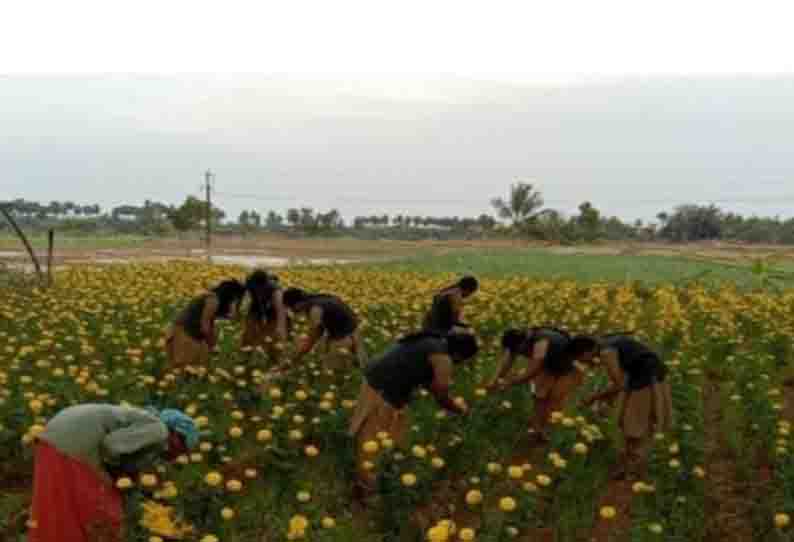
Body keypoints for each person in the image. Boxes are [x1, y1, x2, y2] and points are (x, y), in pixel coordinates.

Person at [29, 403, 199, 542]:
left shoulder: (146, 423)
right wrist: (121, 476)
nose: (177, 456)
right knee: (99, 512)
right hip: (74, 445)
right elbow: (111, 447)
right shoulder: (159, 429)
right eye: (182, 449)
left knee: (58, 511)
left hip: (55, 438)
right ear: (176, 435)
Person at [349, 331, 479, 493]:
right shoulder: (442, 358)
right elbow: (441, 393)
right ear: (459, 354)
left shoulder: (432, 341)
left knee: (391, 434)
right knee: (373, 440)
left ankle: (383, 472)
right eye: (464, 360)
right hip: (383, 389)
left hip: (380, 383)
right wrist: (458, 409)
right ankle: (365, 487)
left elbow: (427, 380)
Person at [582, 333, 673, 480]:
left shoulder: (606, 352)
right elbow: (622, 378)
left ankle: (633, 470)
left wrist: (594, 398)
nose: (584, 363)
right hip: (645, 377)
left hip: (646, 381)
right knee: (629, 424)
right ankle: (628, 467)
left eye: (582, 358)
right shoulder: (609, 343)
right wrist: (606, 399)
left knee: (634, 426)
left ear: (587, 351)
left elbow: (619, 385)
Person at [488, 327, 598, 441]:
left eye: (519, 350)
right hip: (551, 364)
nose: (520, 353)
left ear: (522, 343)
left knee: (555, 400)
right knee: (540, 397)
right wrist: (495, 380)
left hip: (567, 367)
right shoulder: (519, 341)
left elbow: (534, 369)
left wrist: (510, 382)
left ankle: (544, 431)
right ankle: (536, 431)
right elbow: (509, 359)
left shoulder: (541, 342)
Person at [165, 279, 246, 369]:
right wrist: (212, 345)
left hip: (188, 335)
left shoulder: (212, 299)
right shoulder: (213, 300)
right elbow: (205, 326)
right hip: (184, 335)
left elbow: (211, 323)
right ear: (230, 295)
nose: (234, 302)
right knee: (185, 371)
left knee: (194, 370)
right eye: (235, 299)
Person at [282, 287, 366, 369]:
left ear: (297, 303)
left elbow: (312, 338)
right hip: (355, 333)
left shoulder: (314, 309)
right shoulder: (320, 298)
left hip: (344, 339)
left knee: (333, 371)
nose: (292, 311)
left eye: (291, 307)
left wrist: (294, 359)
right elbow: (320, 331)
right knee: (360, 368)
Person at [240, 270, 288, 364]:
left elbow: (280, 309)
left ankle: (274, 361)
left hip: (272, 311)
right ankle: (245, 359)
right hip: (256, 307)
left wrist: (280, 327)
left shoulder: (275, 289)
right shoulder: (249, 283)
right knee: (248, 335)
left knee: (272, 338)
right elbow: (242, 296)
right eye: (255, 286)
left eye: (259, 287)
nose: (257, 289)